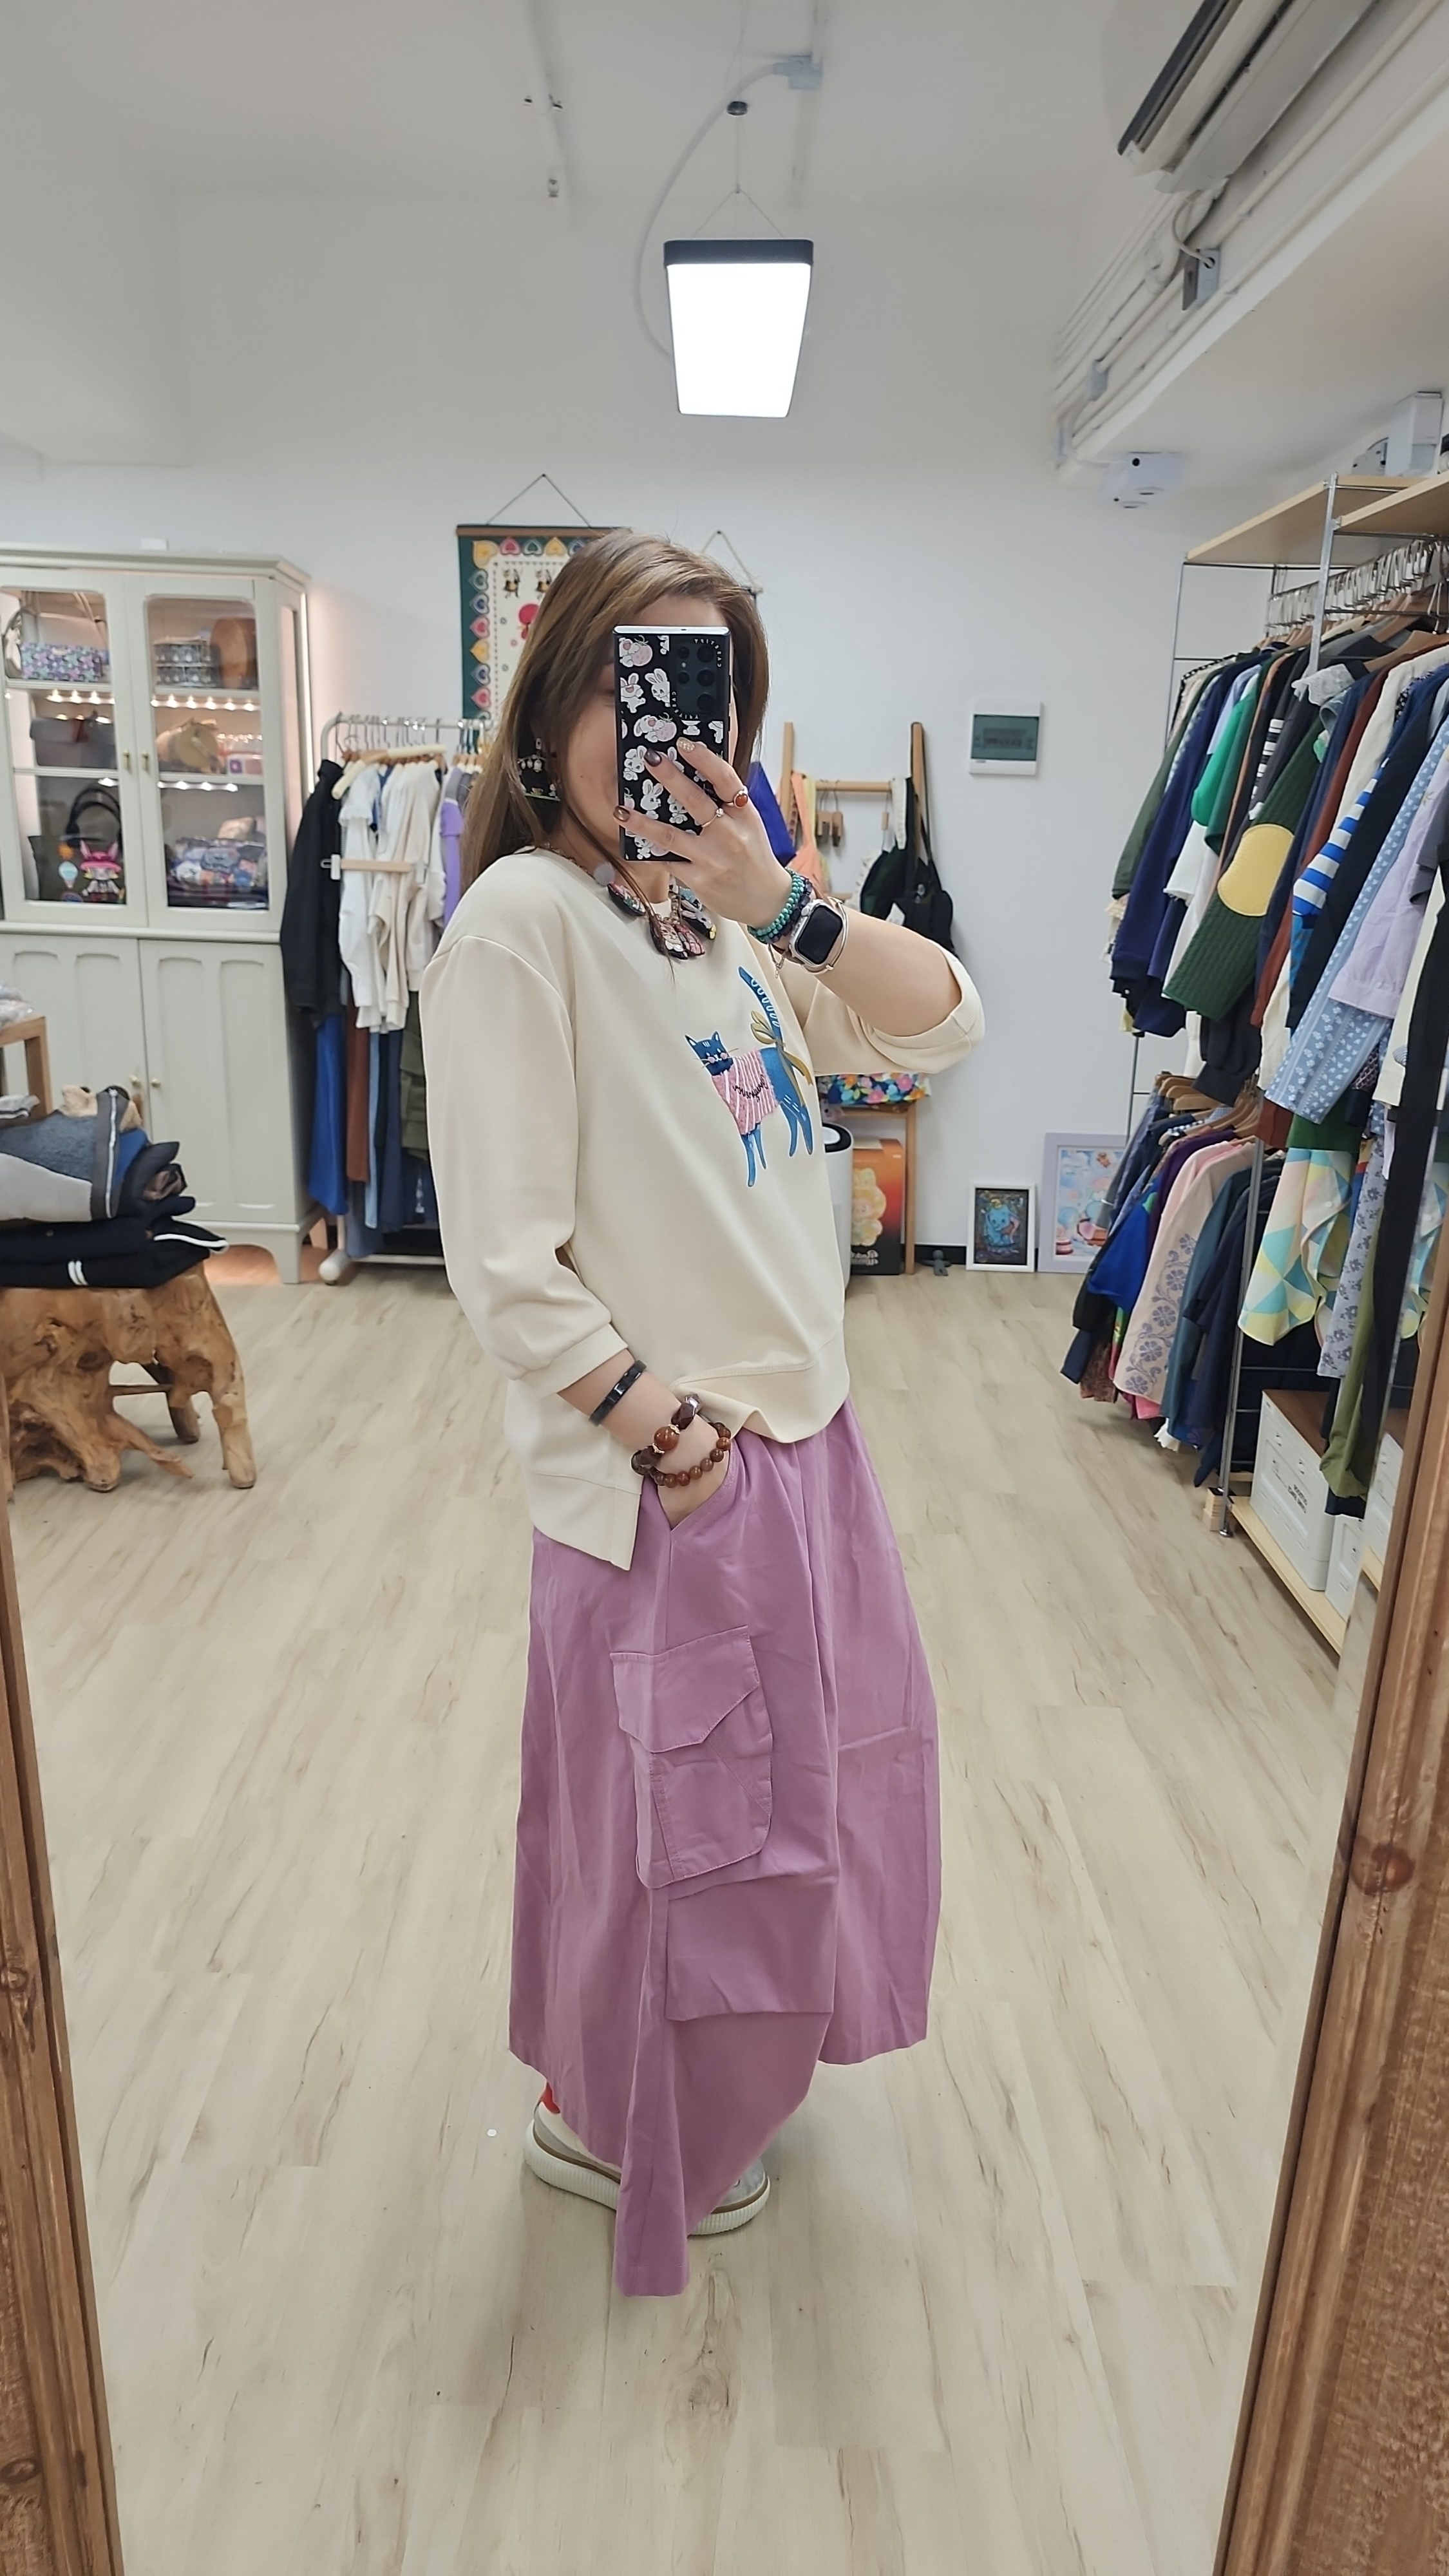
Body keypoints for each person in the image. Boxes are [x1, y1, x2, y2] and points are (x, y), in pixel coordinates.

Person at [421, 531, 983, 2297]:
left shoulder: (723, 929)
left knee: (786, 1813)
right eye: (626, 681)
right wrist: (672, 1446)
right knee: (670, 1835)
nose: (666, 727)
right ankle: (617, 2129)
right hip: (669, 1481)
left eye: (701, 693)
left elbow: (941, 1029)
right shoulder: (521, 926)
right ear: (548, 712)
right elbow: (505, 1267)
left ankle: (714, 2086)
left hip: (803, 1452)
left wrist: (783, 900)